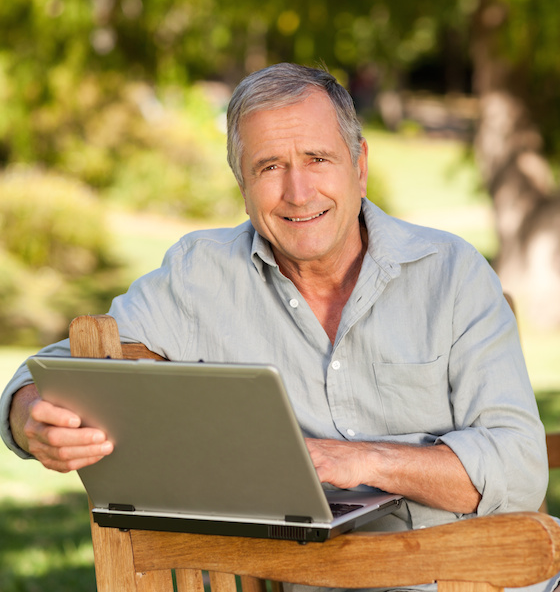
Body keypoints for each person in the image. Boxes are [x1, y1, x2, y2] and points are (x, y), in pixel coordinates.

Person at [0, 63, 556, 591]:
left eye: (317, 158)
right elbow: (53, 368)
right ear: (241, 184)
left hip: (485, 573)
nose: (297, 192)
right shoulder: (199, 275)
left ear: (358, 166)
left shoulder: (452, 273)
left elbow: (521, 465)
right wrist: (30, 416)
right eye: (269, 167)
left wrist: (363, 459)